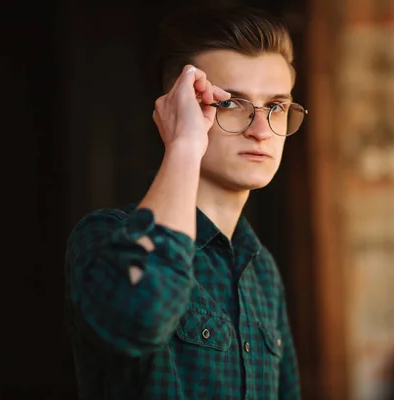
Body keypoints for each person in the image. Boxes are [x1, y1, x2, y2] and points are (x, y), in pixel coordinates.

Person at [64, 4, 307, 399]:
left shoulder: (262, 269)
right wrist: (184, 144)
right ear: (177, 107)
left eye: (276, 107)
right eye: (230, 103)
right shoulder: (105, 236)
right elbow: (142, 317)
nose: (261, 130)